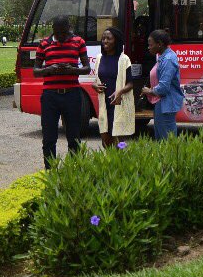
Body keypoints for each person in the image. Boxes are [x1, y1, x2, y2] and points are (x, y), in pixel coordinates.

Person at [35, 16, 91, 168]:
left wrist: (72, 70)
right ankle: (50, 171)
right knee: (48, 138)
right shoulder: (44, 44)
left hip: (72, 94)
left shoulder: (79, 42)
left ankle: (73, 171)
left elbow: (87, 68)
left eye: (63, 32)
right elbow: (36, 71)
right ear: (53, 29)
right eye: (57, 32)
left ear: (69, 28)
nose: (60, 36)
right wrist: (48, 69)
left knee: (74, 137)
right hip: (50, 96)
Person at [92, 27, 134, 148]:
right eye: (103, 38)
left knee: (119, 142)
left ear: (116, 41)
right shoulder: (99, 58)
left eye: (108, 38)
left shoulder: (124, 59)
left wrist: (120, 91)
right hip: (104, 103)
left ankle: (120, 162)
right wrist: (94, 85)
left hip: (118, 103)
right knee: (105, 140)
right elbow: (95, 80)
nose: (105, 41)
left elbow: (130, 83)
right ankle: (109, 163)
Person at [141, 29, 182, 140]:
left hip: (166, 104)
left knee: (167, 141)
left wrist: (149, 91)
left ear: (159, 44)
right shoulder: (162, 56)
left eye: (150, 45)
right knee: (160, 139)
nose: (148, 47)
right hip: (161, 103)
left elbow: (163, 87)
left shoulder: (168, 59)